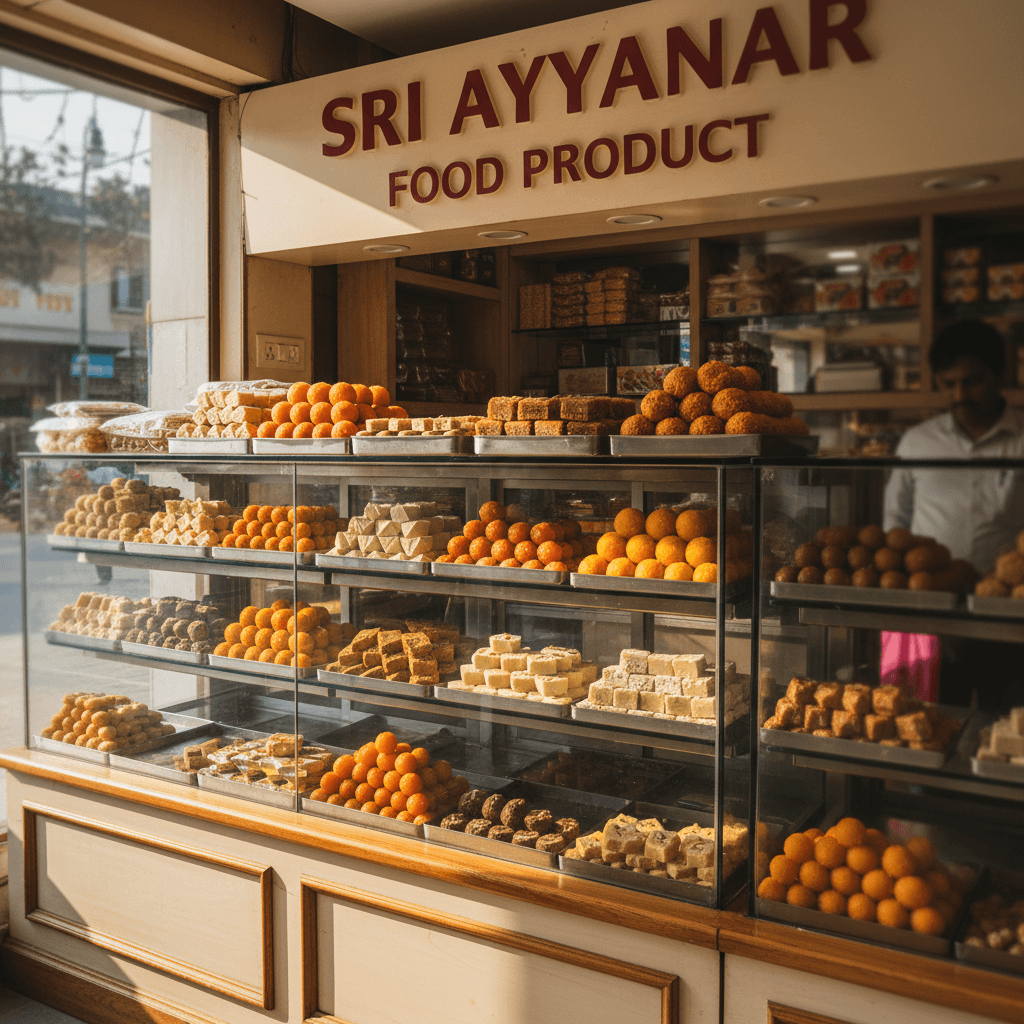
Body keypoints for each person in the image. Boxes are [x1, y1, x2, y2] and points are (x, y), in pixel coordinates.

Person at [883, 320, 1024, 712]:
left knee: (1008, 729)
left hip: (1008, 616)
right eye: (949, 384)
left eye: (973, 381)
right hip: (930, 612)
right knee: (926, 721)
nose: (960, 394)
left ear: (1000, 376)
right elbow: (895, 521)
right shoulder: (919, 442)